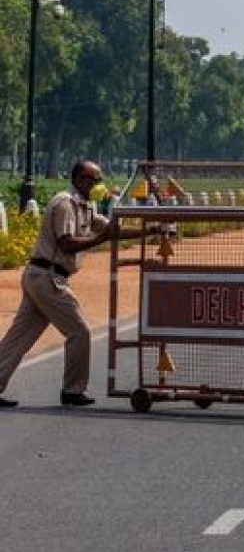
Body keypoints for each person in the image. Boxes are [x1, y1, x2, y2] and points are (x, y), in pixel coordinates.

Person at [0, 160, 149, 408]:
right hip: (48, 277)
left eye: (99, 180)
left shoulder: (86, 205)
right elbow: (66, 243)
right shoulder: (65, 203)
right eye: (95, 180)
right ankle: (73, 390)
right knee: (79, 331)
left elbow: (111, 231)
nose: (99, 185)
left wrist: (150, 230)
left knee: (19, 337)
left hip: (42, 276)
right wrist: (101, 238)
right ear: (80, 180)